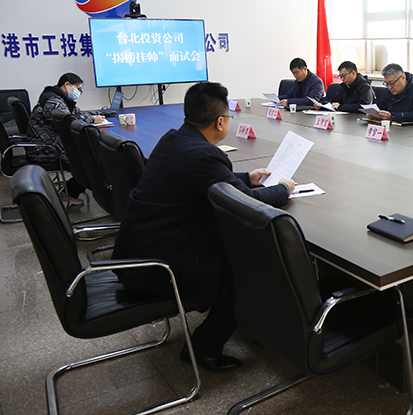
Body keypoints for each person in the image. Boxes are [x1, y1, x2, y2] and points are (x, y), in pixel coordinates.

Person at [112, 82, 295, 373]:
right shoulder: (205, 155)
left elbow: (207, 179)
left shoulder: (173, 139)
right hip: (160, 267)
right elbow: (247, 204)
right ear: (220, 122)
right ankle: (204, 349)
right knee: (249, 274)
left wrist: (246, 177)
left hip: (141, 249)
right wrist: (283, 189)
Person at [27, 72, 106, 204]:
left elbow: (75, 113)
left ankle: (72, 190)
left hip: (49, 144)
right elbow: (70, 121)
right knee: (93, 159)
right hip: (46, 149)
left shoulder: (54, 97)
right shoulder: (54, 102)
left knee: (93, 155)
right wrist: (92, 120)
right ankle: (73, 192)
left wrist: (94, 116)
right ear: (67, 85)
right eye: (78, 89)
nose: (79, 92)